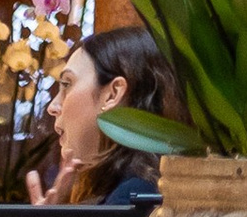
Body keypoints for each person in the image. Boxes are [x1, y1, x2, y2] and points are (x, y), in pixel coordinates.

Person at [28, 24, 186, 204]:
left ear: (112, 94)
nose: (53, 106)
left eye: (66, 84)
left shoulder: (132, 198)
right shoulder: (135, 186)